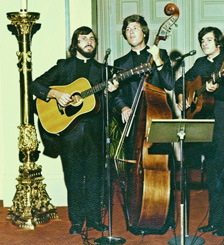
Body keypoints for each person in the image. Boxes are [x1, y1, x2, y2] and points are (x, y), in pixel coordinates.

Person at [29, 26, 119, 235]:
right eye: (83, 38)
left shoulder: (103, 70)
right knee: (73, 177)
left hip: (95, 132)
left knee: (96, 176)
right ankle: (77, 221)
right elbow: (35, 85)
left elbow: (107, 107)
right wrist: (54, 94)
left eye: (92, 38)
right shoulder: (64, 67)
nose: (89, 41)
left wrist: (109, 93)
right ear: (75, 44)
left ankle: (95, 219)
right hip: (69, 134)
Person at [175, 26, 224, 236]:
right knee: (213, 176)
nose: (204, 44)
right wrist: (182, 97)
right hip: (207, 124)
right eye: (202, 41)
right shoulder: (199, 63)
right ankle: (215, 221)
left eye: (208, 40)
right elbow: (181, 82)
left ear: (219, 42)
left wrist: (218, 89)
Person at [112, 14, 175, 234]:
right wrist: (123, 108)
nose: (131, 32)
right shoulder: (120, 64)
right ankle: (138, 216)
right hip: (133, 125)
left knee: (164, 170)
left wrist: (157, 60)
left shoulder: (160, 54)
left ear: (145, 32)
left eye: (135, 28)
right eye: (127, 29)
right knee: (134, 172)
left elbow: (169, 84)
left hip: (157, 120)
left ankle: (165, 216)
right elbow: (116, 94)